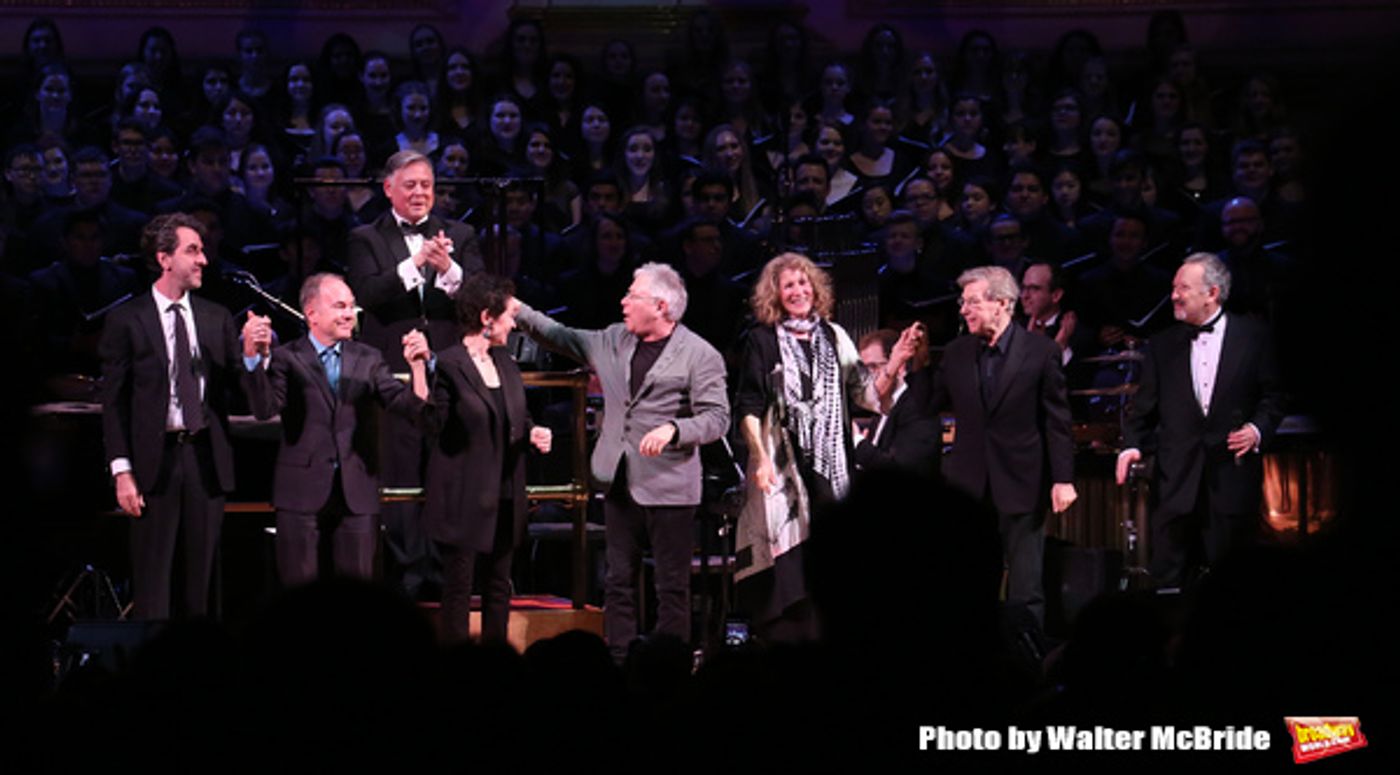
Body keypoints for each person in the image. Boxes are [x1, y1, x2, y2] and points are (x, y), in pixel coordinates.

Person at [513, 262, 729, 662]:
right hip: (618, 479)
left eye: (633, 295)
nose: (623, 301)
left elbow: (717, 417)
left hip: (670, 486)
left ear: (661, 306)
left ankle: (669, 667)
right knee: (617, 581)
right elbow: (559, 335)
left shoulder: (700, 354)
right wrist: (516, 309)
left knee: (671, 587)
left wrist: (675, 429)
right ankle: (619, 661)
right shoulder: (614, 339)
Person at [890, 265, 1076, 627]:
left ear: (1002, 303)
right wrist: (918, 363)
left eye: (972, 302)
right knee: (971, 584)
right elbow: (926, 405)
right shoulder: (957, 352)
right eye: (963, 303)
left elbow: (1057, 421)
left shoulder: (1040, 351)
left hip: (1022, 482)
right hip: (969, 486)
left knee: (1026, 588)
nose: (964, 310)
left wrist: (1063, 479)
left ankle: (1026, 655)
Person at [347, 148, 483, 601]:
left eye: (426, 184)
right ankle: (407, 572)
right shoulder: (365, 238)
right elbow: (366, 292)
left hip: (450, 371)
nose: (420, 192)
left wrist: (450, 271)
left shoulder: (460, 234)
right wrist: (415, 264)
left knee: (448, 467)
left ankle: (448, 572)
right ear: (389, 189)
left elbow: (483, 297)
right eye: (410, 185)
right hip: (393, 374)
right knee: (400, 468)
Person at [241, 273, 431, 587]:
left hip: (357, 491)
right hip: (300, 491)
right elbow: (265, 409)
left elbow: (408, 407)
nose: (349, 314)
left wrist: (418, 367)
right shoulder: (287, 357)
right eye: (340, 306)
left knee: (356, 595)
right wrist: (252, 355)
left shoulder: (369, 358)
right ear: (312, 313)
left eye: (351, 307)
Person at [735, 253, 887, 640]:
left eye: (803, 283)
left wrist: (897, 358)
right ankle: (791, 639)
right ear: (775, 294)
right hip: (783, 465)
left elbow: (867, 394)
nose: (798, 291)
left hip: (832, 467)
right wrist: (761, 458)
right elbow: (749, 406)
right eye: (788, 285)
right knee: (789, 567)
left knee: (833, 561)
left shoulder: (835, 337)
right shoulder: (762, 340)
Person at [100, 213, 243, 620]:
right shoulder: (127, 319)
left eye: (202, 251)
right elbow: (114, 402)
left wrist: (254, 356)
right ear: (164, 259)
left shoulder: (216, 317)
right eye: (192, 251)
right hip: (153, 461)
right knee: (154, 582)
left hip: (204, 459)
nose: (203, 261)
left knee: (201, 583)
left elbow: (241, 388)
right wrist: (122, 471)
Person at [1115, 253, 1284, 589]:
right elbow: (1142, 410)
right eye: (1173, 287)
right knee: (1167, 584)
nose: (1174, 296)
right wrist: (1131, 446)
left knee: (1234, 583)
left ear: (1212, 293)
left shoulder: (1255, 336)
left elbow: (1275, 396)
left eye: (1183, 288)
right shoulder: (1161, 345)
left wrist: (1256, 429)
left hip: (1231, 479)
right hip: (1175, 483)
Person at [421, 273, 553, 643]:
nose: (514, 324)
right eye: (509, 315)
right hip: (463, 494)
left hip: (506, 493)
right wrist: (417, 368)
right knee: (459, 588)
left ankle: (498, 664)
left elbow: (516, 416)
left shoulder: (505, 362)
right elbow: (435, 424)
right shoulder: (449, 364)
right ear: (486, 318)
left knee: (499, 585)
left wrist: (533, 432)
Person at [851, 329, 938, 476]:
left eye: (873, 367)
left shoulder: (918, 408)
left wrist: (858, 442)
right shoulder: (881, 408)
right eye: (863, 369)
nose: (866, 377)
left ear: (900, 366)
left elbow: (901, 472)